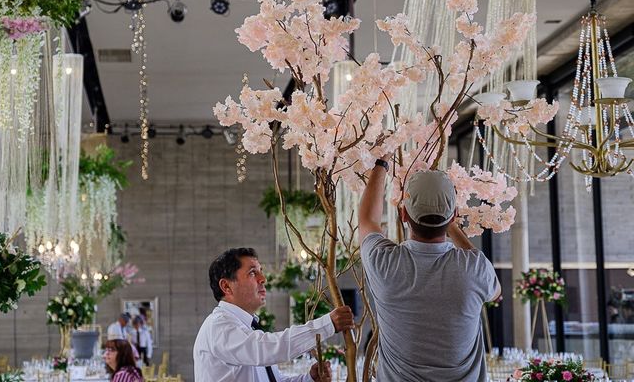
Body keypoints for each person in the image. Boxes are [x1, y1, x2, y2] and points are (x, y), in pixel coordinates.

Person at [358, 160, 501, 382]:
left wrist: (381, 163)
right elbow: (496, 292)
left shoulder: (384, 264)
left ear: (404, 215)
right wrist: (450, 225)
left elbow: (367, 220)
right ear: (453, 216)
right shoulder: (474, 268)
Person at [193, 247, 355, 382]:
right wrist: (327, 325)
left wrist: (309, 379)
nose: (263, 279)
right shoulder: (219, 326)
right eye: (252, 273)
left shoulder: (246, 327)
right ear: (226, 286)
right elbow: (267, 349)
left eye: (260, 272)